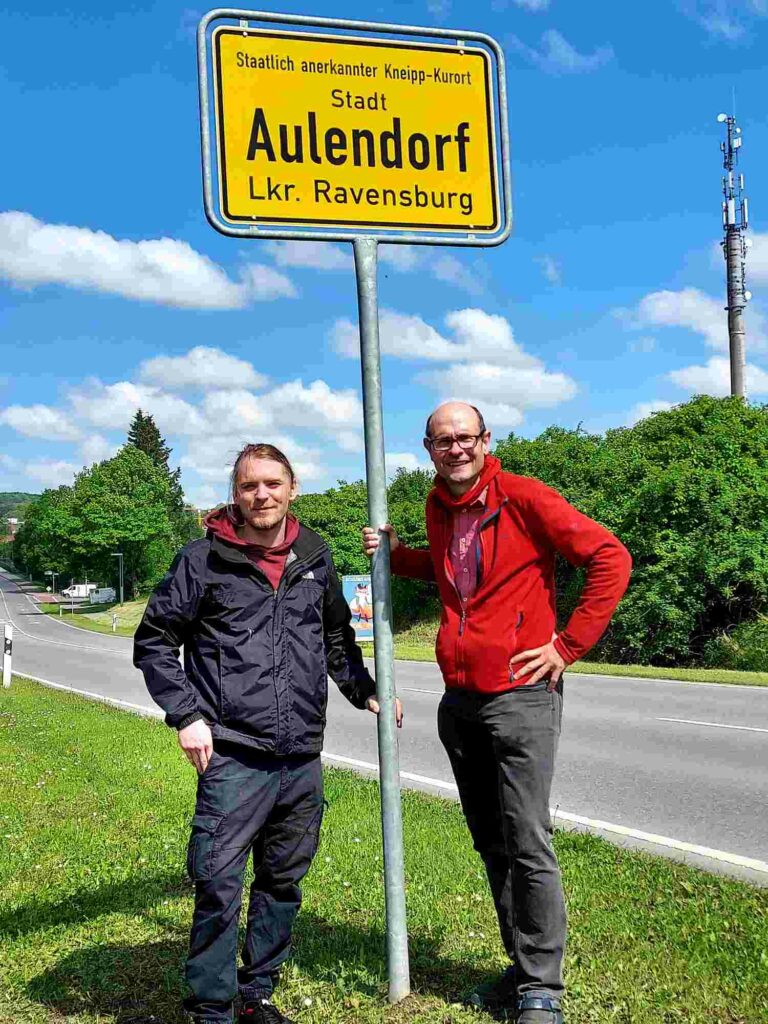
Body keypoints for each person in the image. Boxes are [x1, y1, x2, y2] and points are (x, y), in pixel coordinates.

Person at [363, 403, 631, 1024]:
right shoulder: (437, 506)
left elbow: (610, 558)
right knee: (492, 842)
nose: (455, 448)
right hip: (460, 701)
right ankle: (521, 965)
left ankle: (543, 988)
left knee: (527, 839)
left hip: (520, 697)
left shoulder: (524, 497)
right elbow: (451, 573)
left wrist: (567, 646)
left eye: (465, 437)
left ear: (485, 440)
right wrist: (398, 555)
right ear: (428, 448)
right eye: (443, 440)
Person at [135, 443, 401, 1024]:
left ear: (292, 488)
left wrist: (365, 689)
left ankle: (255, 996)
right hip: (233, 753)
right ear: (235, 493)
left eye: (273, 484)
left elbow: (336, 639)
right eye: (250, 485)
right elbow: (154, 641)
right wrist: (186, 715)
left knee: (282, 883)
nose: (262, 495)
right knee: (218, 882)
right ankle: (212, 1008)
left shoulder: (315, 555)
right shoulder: (203, 560)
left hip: (301, 754)